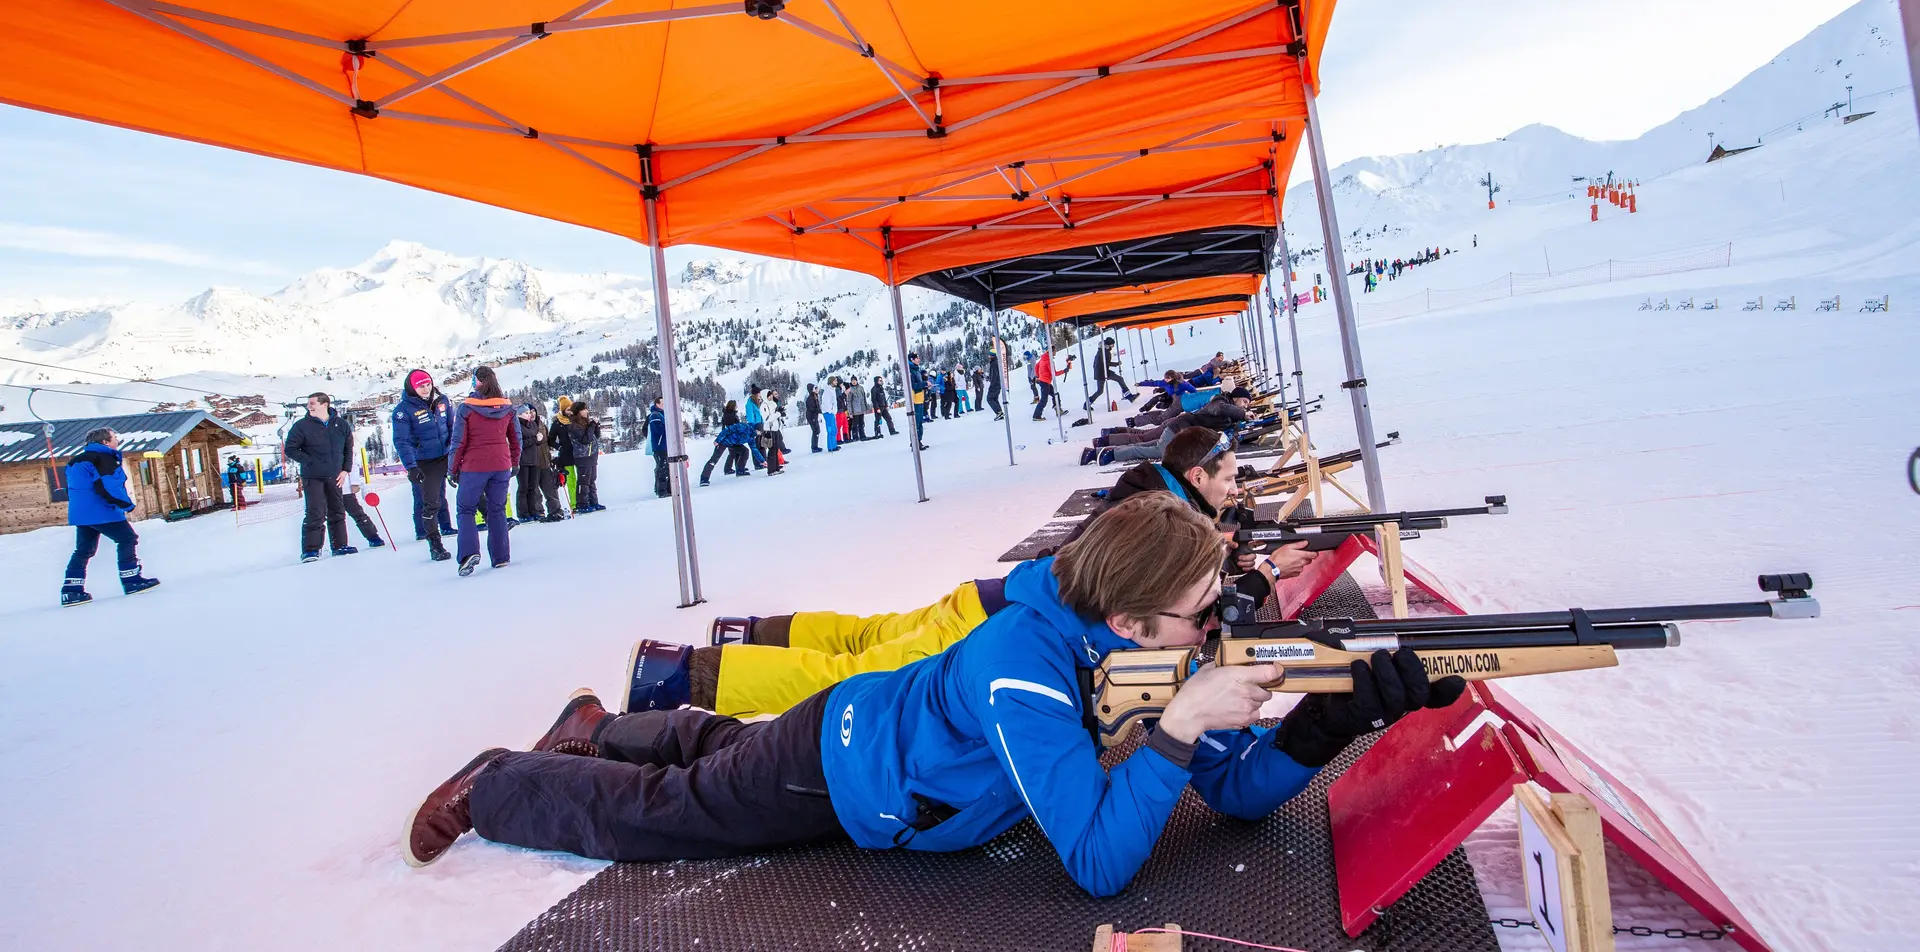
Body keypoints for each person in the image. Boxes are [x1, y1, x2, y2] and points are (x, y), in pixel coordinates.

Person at [402, 493, 1461, 892]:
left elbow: (1224, 789)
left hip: (869, 733)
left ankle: (606, 727)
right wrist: (1182, 726)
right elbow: (1096, 860)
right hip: (844, 773)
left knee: (722, 751)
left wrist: (1327, 723)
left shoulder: (1133, 639)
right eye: (1200, 614)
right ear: (1132, 623)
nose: (1216, 629)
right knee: (674, 817)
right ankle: (500, 784)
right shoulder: (1026, 667)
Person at [631, 427, 1314, 720]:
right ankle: (679, 676)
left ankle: (746, 632)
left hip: (987, 605)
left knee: (867, 640)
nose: (1233, 487)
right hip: (995, 625)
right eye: (1228, 477)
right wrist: (1251, 580)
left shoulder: (1159, 500)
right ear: (1196, 476)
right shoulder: (1158, 509)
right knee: (850, 679)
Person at [58, 427, 159, 606]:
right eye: (114, 438)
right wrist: (126, 505)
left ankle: (71, 591)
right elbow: (108, 487)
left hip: (82, 513)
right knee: (128, 538)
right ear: (104, 442)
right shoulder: (104, 458)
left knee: (83, 550)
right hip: (102, 511)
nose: (117, 441)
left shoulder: (75, 461)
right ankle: (131, 580)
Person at [449, 366, 522, 576]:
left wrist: (452, 469)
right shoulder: (507, 407)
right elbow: (516, 439)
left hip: (474, 466)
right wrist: (514, 462)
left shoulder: (467, 408)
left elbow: (458, 442)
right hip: (501, 465)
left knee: (466, 509)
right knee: (497, 509)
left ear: (477, 382)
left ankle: (468, 554)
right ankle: (501, 557)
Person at [1086, 389, 1252, 467]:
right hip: (1179, 427)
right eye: (1244, 402)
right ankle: (1110, 452)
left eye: (1247, 405)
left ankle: (1100, 451)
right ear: (1236, 398)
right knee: (1156, 450)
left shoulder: (1231, 415)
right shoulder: (1220, 402)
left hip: (1182, 430)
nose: (1245, 406)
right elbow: (1220, 409)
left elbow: (1232, 433)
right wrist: (1243, 415)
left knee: (1145, 444)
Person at [286, 392, 356, 563]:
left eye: (312, 403)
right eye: (308, 403)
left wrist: (345, 470)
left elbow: (348, 448)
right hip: (312, 476)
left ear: (325, 404)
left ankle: (340, 545)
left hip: (336, 475)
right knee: (315, 511)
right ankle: (311, 550)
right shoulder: (301, 426)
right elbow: (290, 448)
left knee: (337, 510)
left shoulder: (341, 425)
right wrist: (309, 461)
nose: (309, 406)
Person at [393, 369, 455, 560]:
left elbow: (453, 428)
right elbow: (401, 441)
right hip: (425, 461)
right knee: (430, 502)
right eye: (421, 386)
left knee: (473, 488)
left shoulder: (442, 400)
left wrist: (457, 452)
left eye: (428, 384)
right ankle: (434, 544)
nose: (426, 389)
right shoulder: (404, 410)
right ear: (412, 387)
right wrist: (411, 466)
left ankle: (494, 525)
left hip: (446, 455)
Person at [336, 424, 386, 549]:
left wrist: (354, 482)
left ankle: (373, 536)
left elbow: (352, 465)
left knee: (357, 513)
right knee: (333, 516)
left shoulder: (345, 447)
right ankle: (337, 544)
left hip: (345, 488)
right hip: (329, 487)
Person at [516, 404, 562, 522]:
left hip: (544, 460)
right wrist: (535, 439)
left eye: (532, 411)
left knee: (550, 489)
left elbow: (548, 440)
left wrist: (556, 449)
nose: (531, 414)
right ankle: (537, 511)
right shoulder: (521, 426)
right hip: (530, 461)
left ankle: (556, 510)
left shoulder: (540, 424)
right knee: (533, 490)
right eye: (528, 412)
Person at [699, 401, 754, 485]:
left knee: (740, 452)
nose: (737, 407)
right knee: (715, 458)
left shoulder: (728, 414)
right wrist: (719, 440)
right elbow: (728, 429)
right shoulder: (730, 415)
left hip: (730, 440)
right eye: (736, 406)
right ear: (733, 406)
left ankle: (739, 469)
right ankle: (704, 478)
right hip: (726, 440)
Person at [566, 399, 604, 513]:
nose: (586, 411)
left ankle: (593, 502)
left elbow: (595, 436)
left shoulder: (585, 423)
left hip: (591, 455)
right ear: (578, 411)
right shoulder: (573, 426)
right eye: (584, 409)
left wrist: (596, 426)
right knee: (584, 480)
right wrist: (592, 425)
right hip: (582, 457)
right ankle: (582, 504)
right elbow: (585, 439)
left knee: (592, 479)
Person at [1084, 336, 1135, 410]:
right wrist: (1117, 364)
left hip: (1101, 372)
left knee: (1100, 391)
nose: (1113, 346)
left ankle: (1087, 403)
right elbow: (1106, 363)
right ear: (1109, 344)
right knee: (1119, 380)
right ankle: (1129, 396)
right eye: (1112, 344)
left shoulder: (1102, 350)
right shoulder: (1104, 351)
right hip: (1102, 373)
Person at [550, 397, 579, 510]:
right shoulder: (557, 423)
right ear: (562, 411)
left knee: (583, 478)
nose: (570, 411)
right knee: (571, 479)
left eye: (571, 409)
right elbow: (550, 440)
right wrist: (559, 447)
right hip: (566, 455)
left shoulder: (576, 420)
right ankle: (574, 503)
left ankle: (583, 500)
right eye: (567, 409)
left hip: (579, 453)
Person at [647, 398, 670, 498]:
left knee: (666, 467)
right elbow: (660, 431)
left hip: (665, 445)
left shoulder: (662, 414)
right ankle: (662, 491)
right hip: (660, 446)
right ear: (657, 404)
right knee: (663, 468)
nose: (665, 405)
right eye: (663, 403)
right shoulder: (655, 415)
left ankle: (666, 489)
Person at [763, 393, 788, 475]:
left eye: (771, 395)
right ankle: (771, 470)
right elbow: (768, 418)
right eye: (768, 396)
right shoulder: (764, 406)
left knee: (776, 449)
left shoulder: (773, 404)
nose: (771, 397)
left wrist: (780, 411)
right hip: (769, 430)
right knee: (772, 449)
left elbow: (775, 415)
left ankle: (776, 467)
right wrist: (778, 413)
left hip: (775, 428)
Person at [743, 387, 768, 469]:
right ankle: (758, 463)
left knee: (763, 444)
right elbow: (750, 418)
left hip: (761, 424)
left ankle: (764, 461)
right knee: (756, 445)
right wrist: (753, 428)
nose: (760, 396)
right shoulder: (750, 404)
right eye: (759, 394)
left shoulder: (758, 403)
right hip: (755, 425)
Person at [846, 376, 870, 441]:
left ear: (857, 381)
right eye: (852, 380)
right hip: (855, 411)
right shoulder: (850, 390)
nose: (853, 382)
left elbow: (864, 398)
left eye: (855, 380)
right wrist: (850, 412)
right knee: (855, 425)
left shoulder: (861, 388)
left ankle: (862, 435)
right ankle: (855, 437)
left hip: (861, 409)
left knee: (861, 424)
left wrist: (866, 408)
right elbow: (849, 402)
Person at [822, 376, 841, 452]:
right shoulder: (827, 391)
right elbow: (826, 402)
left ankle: (834, 444)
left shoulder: (832, 390)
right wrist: (830, 411)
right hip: (828, 412)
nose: (836, 382)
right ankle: (831, 446)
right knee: (831, 429)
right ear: (831, 382)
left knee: (834, 429)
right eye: (835, 381)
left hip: (832, 412)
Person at [985, 349, 1004, 420]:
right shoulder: (996, 362)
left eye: (989, 355)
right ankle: (999, 412)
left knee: (989, 398)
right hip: (998, 383)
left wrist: (991, 384)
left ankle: (999, 412)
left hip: (995, 384)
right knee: (995, 398)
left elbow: (994, 375)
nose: (988, 356)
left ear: (992, 356)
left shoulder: (993, 363)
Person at [804, 384, 823, 453]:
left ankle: (815, 446)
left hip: (814, 416)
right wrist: (820, 411)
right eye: (815, 388)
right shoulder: (810, 398)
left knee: (816, 430)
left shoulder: (815, 396)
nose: (817, 390)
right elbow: (813, 408)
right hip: (811, 416)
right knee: (816, 430)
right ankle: (814, 447)